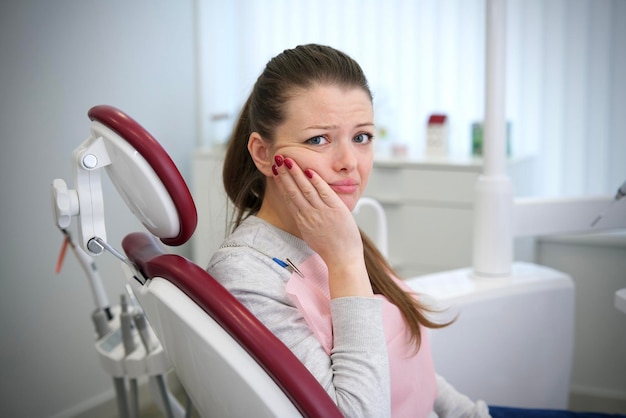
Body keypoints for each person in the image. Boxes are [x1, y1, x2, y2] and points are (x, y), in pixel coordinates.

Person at [207, 44, 490, 418]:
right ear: (262, 153)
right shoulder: (247, 275)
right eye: (318, 139)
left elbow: (408, 365)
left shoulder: (334, 232)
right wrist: (345, 264)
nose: (349, 163)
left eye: (362, 137)